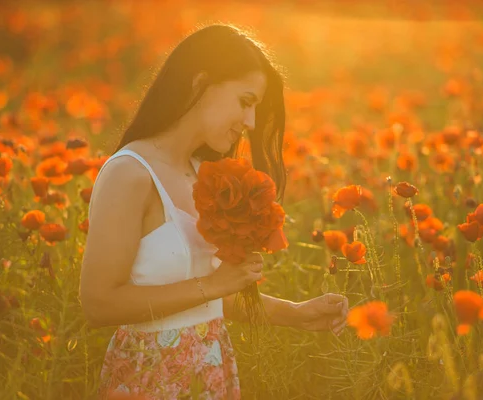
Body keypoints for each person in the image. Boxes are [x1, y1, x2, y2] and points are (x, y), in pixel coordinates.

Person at [79, 24, 348, 399]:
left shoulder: (203, 174)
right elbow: (98, 303)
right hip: (150, 376)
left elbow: (203, 300)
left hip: (210, 371)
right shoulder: (131, 173)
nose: (250, 122)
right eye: (245, 101)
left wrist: (296, 313)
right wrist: (216, 284)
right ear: (200, 83)